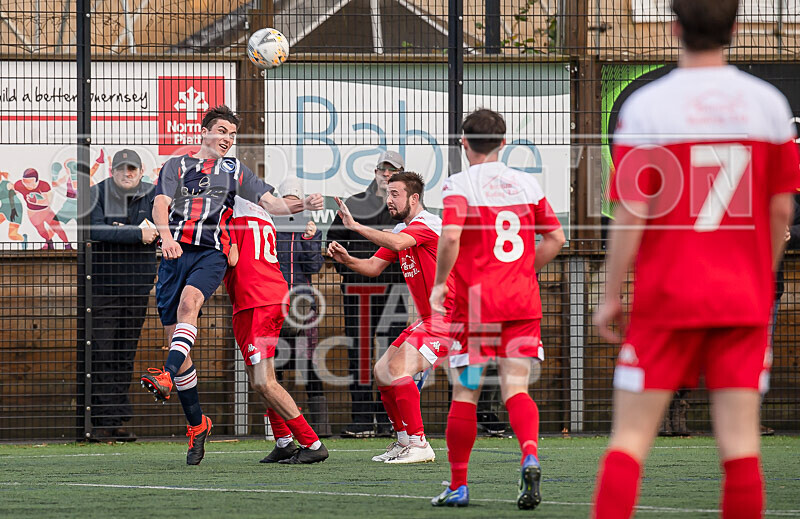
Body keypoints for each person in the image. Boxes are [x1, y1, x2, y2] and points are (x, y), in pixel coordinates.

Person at [591, 1, 800, 517]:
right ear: (734, 27)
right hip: (742, 301)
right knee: (741, 447)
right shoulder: (769, 105)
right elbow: (781, 213)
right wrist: (760, 275)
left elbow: (631, 211)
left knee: (629, 443)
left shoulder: (647, 106)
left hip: (667, 298)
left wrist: (611, 292)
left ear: (674, 27)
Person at [139, 105, 324, 465]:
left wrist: (303, 204)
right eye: (221, 131)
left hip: (210, 254)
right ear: (203, 132)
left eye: (232, 135)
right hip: (174, 254)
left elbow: (272, 203)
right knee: (180, 339)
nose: (227, 139)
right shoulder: (176, 166)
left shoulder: (235, 170)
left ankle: (165, 374)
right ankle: (197, 424)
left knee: (189, 306)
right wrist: (165, 237)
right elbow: (160, 203)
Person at [429, 108, 565, 508]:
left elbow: (451, 236)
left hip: (476, 307)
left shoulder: (459, 185)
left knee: (466, 394)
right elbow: (555, 239)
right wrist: (524, 271)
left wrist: (439, 284)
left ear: (463, 142)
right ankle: (529, 454)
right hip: (522, 304)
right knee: (516, 389)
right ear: (504, 143)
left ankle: (458, 486)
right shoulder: (527, 184)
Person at [328, 171, 455, 464]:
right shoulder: (402, 229)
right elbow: (373, 267)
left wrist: (355, 226)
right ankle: (403, 441)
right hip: (430, 319)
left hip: (451, 318)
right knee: (382, 371)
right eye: (387, 193)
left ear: (414, 198)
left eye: (395, 194)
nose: (389, 200)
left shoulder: (428, 225)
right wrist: (348, 260)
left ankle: (420, 443)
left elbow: (398, 245)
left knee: (398, 370)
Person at [223, 196, 329, 464]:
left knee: (264, 381)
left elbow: (231, 257)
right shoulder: (259, 211)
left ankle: (311, 442)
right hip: (259, 298)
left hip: (257, 300)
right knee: (258, 378)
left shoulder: (226, 213)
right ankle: (284, 442)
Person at [327, 150, 408, 438]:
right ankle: (362, 420)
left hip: (395, 293)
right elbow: (333, 241)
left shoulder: (409, 210)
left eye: (392, 171)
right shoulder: (355, 203)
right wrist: (348, 271)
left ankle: (391, 420)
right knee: (359, 357)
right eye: (383, 170)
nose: (386, 175)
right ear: (375, 172)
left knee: (393, 357)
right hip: (357, 293)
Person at [88, 149, 158, 442]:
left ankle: (115, 420)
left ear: (141, 171)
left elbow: (163, 230)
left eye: (132, 169)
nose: (126, 173)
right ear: (111, 170)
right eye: (121, 169)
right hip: (103, 288)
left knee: (124, 355)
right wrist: (135, 235)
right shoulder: (96, 193)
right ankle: (98, 422)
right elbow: (93, 228)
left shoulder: (155, 195)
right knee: (101, 353)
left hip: (138, 288)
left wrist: (118, 230)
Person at [274, 177, 330, 437]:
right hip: (275, 305)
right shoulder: (269, 228)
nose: (292, 208)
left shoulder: (309, 228)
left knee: (310, 366)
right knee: (274, 368)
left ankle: (321, 428)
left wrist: (310, 239)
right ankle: (280, 430)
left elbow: (314, 267)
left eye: (296, 202)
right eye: (287, 202)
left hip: (303, 306)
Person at [12, 168, 71, 249]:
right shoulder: (19, 185)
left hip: (46, 210)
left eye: (30, 181)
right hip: (32, 212)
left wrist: (36, 201)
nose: (27, 184)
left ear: (36, 180)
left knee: (57, 227)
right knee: (41, 230)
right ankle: (49, 242)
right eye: (25, 181)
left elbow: (48, 201)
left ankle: (67, 244)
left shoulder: (44, 185)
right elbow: (11, 193)